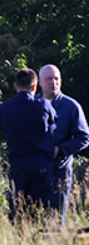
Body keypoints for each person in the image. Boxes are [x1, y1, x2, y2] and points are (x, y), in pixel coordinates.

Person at [0, 68, 56, 217]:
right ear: (34, 86)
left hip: (18, 162)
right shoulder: (44, 106)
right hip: (40, 163)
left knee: (17, 207)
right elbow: (52, 128)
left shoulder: (5, 108)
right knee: (40, 210)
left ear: (15, 86)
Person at [39, 64, 89, 219]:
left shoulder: (71, 107)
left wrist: (60, 150)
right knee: (33, 220)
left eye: (56, 79)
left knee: (55, 219)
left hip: (59, 172)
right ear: (40, 82)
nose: (53, 82)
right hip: (35, 172)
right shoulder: (33, 105)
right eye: (49, 79)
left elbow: (84, 137)